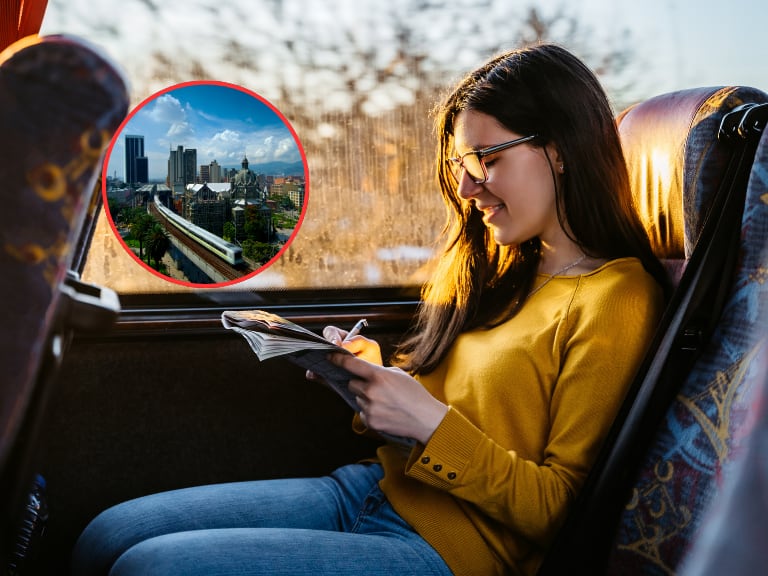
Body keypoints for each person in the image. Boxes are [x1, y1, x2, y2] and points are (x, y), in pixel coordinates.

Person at [71, 43, 668, 576]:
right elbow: (465, 416)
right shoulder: (505, 272)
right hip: (374, 487)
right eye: (461, 165)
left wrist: (429, 424)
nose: (467, 188)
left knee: (150, 567)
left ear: (558, 151)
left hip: (453, 550)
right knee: (107, 535)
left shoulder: (617, 297)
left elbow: (565, 512)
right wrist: (372, 381)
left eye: (486, 159)